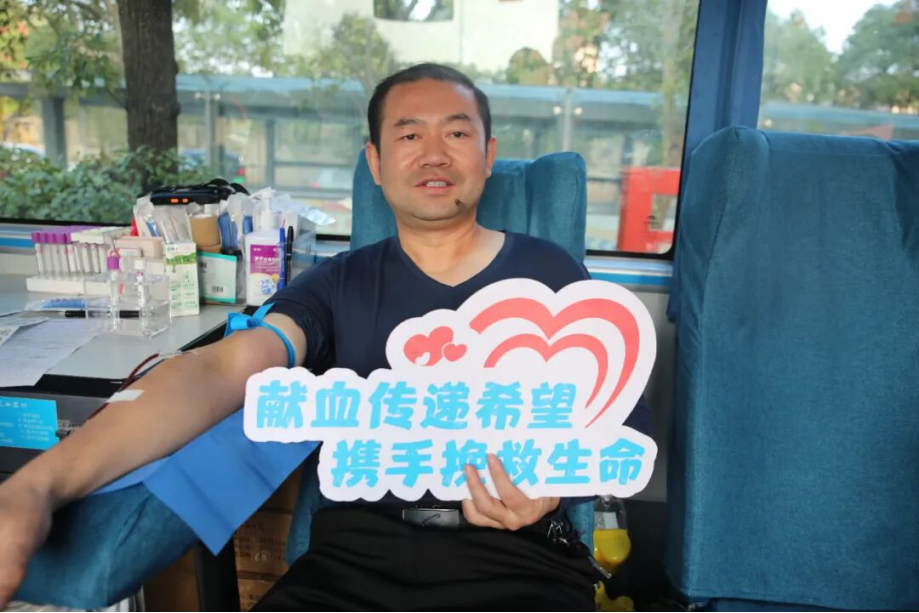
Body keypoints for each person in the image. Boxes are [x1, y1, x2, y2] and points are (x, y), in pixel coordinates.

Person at [0, 63, 649, 612]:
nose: (434, 153)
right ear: (375, 161)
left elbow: (612, 422)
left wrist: (553, 487)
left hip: (517, 563)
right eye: (409, 134)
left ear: (488, 154)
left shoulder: (552, 274)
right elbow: (224, 369)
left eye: (456, 132)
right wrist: (38, 486)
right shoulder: (335, 284)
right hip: (352, 566)